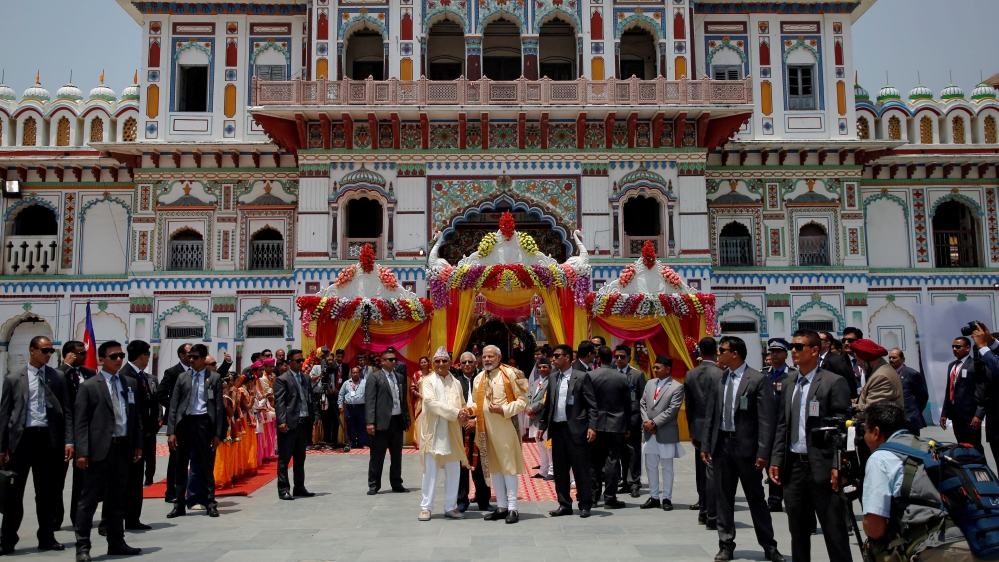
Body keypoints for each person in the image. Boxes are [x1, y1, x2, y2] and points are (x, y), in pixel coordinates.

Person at [768, 330, 853, 562]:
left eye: (798, 347)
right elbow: (782, 425)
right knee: (798, 532)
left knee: (834, 532)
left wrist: (839, 465)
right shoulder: (789, 383)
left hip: (824, 468)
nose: (793, 351)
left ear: (814, 350)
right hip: (794, 467)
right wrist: (776, 459)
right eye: (792, 347)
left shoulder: (833, 382)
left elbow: (842, 429)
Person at [862, 401, 976, 562]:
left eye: (865, 430)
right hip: (980, 540)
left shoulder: (881, 457)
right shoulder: (933, 447)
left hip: (944, 549)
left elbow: (875, 529)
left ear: (876, 432)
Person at [704, 336, 783, 562]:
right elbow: (712, 414)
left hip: (747, 448)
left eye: (723, 350)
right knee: (724, 498)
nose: (719, 354)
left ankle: (769, 545)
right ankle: (726, 544)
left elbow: (767, 420)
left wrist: (764, 452)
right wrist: (707, 444)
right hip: (723, 446)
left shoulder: (757, 379)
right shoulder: (721, 379)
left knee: (756, 498)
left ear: (735, 353)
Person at [0, 336, 72, 553]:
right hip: (22, 441)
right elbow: (4, 415)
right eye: (44, 350)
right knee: (14, 494)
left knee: (47, 492)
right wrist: (1, 448)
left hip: (47, 441)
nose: (48, 354)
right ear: (32, 350)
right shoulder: (14, 378)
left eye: (51, 350)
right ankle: (7, 539)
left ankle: (47, 537)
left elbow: (67, 411)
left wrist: (68, 440)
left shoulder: (57, 377)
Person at [73, 341, 143, 562]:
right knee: (89, 500)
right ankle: (83, 546)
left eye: (121, 355)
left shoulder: (129, 383)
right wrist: (82, 451)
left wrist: (137, 443)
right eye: (113, 356)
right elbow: (81, 422)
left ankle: (116, 541)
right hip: (98, 449)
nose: (118, 360)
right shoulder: (90, 386)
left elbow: (136, 417)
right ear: (101, 360)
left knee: (117, 498)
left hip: (122, 447)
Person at [462, 345, 528, 523]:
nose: (487, 360)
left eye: (491, 356)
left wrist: (503, 409)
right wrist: (469, 411)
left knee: (508, 468)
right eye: (484, 357)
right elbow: (478, 405)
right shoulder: (478, 378)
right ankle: (501, 506)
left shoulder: (512, 374)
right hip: (485, 430)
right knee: (495, 469)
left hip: (505, 428)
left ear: (499, 357)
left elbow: (523, 401)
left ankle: (513, 508)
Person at [166, 343, 226, 517]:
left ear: (203, 358)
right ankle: (179, 503)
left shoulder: (213, 378)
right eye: (189, 357)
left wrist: (217, 433)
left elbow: (218, 408)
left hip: (204, 423)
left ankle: (210, 502)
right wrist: (171, 431)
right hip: (185, 423)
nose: (191, 360)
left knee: (206, 465)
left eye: (195, 357)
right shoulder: (183, 377)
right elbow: (174, 406)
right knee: (180, 465)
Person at [539, 343, 597, 518]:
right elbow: (548, 405)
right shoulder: (553, 377)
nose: (553, 359)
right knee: (560, 469)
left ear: (567, 357)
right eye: (553, 356)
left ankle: (585, 504)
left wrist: (592, 426)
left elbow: (591, 405)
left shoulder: (582, 377)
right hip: (558, 429)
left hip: (577, 430)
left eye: (556, 356)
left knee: (581, 469)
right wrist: (542, 426)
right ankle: (564, 504)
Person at [417, 348, 470, 521]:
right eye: (438, 361)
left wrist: (463, 415)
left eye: (444, 361)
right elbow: (431, 404)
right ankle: (426, 507)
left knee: (454, 471)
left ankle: (450, 506)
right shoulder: (427, 381)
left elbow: (461, 403)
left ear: (449, 362)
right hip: (434, 433)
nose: (441, 364)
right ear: (433, 363)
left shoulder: (455, 382)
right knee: (430, 472)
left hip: (453, 433)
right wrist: (456, 413)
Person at [54, 340, 96, 529]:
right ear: (69, 354)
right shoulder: (58, 374)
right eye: (80, 353)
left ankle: (78, 517)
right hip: (63, 434)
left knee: (82, 481)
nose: (84, 357)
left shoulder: (89, 373)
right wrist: (66, 366)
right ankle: (55, 519)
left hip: (84, 434)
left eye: (84, 354)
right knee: (57, 480)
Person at [684, 337, 723, 528]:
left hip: (699, 427)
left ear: (699, 352)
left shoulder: (691, 374)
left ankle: (703, 511)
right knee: (713, 472)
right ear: (716, 351)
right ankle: (712, 513)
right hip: (716, 428)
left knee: (701, 471)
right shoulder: (720, 374)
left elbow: (689, 406)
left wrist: (692, 430)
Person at [117, 340, 157, 531]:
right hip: (128, 436)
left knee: (135, 480)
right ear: (142, 355)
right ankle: (111, 521)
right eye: (148, 355)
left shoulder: (141, 376)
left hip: (142, 434)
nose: (149, 358)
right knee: (121, 481)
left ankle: (133, 518)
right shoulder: (125, 376)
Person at [588, 345, 631, 509]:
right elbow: (628, 404)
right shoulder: (621, 378)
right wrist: (627, 425)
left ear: (598, 359)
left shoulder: (590, 376)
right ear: (612, 358)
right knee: (612, 460)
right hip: (616, 423)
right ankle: (610, 497)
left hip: (595, 424)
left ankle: (593, 495)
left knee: (595, 462)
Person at [640, 354, 684, 511]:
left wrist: (655, 423)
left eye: (658, 367)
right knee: (650, 465)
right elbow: (643, 403)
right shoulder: (650, 383)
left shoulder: (676, 387)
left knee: (667, 466)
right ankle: (654, 497)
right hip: (649, 432)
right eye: (654, 367)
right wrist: (647, 422)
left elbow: (672, 410)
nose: (655, 370)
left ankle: (667, 498)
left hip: (665, 432)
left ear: (668, 369)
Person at [366, 349, 411, 494]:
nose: (393, 361)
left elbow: (403, 400)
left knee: (397, 455)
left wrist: (407, 419)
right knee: (377, 455)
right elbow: (370, 401)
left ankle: (396, 483)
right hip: (381, 423)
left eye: (394, 359)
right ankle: (374, 484)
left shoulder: (399, 377)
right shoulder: (374, 377)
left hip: (397, 421)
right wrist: (370, 422)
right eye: (390, 359)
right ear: (382, 361)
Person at [274, 349, 318, 500]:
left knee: (300, 458)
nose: (301, 363)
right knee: (285, 458)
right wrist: (281, 421)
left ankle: (299, 486)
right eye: (298, 361)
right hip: (289, 423)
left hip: (304, 422)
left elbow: (311, 399)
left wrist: (316, 415)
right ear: (289, 362)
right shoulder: (282, 379)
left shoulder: (306, 378)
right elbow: (280, 402)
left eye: (302, 360)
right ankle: (283, 489)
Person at [454, 352, 494, 513]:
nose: (468, 364)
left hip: (481, 425)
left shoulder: (484, 380)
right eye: (464, 362)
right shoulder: (454, 382)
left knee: (482, 464)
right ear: (460, 365)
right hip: (460, 427)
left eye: (470, 361)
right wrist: (464, 421)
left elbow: (490, 402)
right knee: (461, 464)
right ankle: (461, 500)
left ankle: (484, 500)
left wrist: (475, 421)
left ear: (475, 363)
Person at [155, 342, 193, 504]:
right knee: (177, 460)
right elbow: (161, 394)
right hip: (180, 422)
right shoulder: (172, 372)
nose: (193, 358)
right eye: (190, 354)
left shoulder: (198, 372)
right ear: (181, 356)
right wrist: (177, 407)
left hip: (196, 422)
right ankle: (172, 492)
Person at [764, 338, 797, 513]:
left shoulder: (793, 374)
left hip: (787, 425)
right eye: (772, 351)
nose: (774, 354)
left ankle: (789, 496)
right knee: (771, 461)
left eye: (778, 351)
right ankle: (774, 500)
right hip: (769, 426)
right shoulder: (763, 374)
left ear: (786, 354)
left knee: (788, 464)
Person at [941, 335, 985, 453]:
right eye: (953, 347)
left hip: (970, 416)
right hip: (956, 416)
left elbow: (981, 391)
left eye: (958, 346)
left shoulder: (974, 365)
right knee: (962, 445)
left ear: (967, 348)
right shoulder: (952, 366)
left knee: (974, 446)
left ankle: (981, 469)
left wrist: (978, 415)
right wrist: (944, 413)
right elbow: (949, 391)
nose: (955, 349)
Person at [615, 345, 645, 498]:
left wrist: (641, 419)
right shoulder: (612, 374)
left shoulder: (637, 375)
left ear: (629, 358)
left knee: (633, 452)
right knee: (621, 453)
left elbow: (642, 400)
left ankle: (635, 483)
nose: (619, 359)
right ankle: (625, 482)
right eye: (617, 356)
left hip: (633, 420)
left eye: (622, 356)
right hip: (617, 421)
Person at [853, 338, 905, 414]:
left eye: (858, 360)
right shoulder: (878, 371)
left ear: (867, 359)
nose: (857, 364)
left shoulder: (881, 377)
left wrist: (846, 406)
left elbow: (871, 410)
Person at [887, 348, 929, 436]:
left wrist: (915, 410)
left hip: (910, 418)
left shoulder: (912, 374)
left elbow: (923, 396)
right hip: (893, 419)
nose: (891, 360)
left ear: (903, 359)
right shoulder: (887, 374)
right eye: (890, 358)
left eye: (894, 358)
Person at [526, 357, 551, 479]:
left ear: (550, 368)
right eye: (539, 367)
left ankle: (552, 470)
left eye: (545, 367)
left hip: (543, 418)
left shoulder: (551, 381)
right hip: (534, 418)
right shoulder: (536, 382)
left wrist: (533, 408)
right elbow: (529, 396)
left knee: (549, 446)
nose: (541, 369)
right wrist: (527, 408)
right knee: (540, 445)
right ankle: (543, 470)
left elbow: (546, 400)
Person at [818, 332, 859, 398]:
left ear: (827, 343)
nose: (816, 341)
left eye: (819, 339)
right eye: (844, 340)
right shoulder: (814, 359)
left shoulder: (836, 360)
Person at [339, 366, 368, 451]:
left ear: (360, 373)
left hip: (361, 407)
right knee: (351, 426)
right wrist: (340, 406)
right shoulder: (346, 383)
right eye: (353, 373)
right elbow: (341, 395)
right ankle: (352, 443)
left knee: (362, 426)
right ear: (351, 374)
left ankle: (363, 443)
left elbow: (369, 395)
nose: (355, 374)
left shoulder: (364, 383)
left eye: (357, 372)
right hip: (350, 408)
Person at [411, 355, 431, 449]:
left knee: (430, 421)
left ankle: (430, 441)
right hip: (420, 402)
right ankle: (419, 442)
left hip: (431, 401)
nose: (423, 364)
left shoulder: (433, 374)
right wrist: (420, 396)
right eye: (421, 362)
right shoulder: (416, 375)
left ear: (428, 363)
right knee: (420, 421)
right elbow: (412, 388)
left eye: (425, 362)